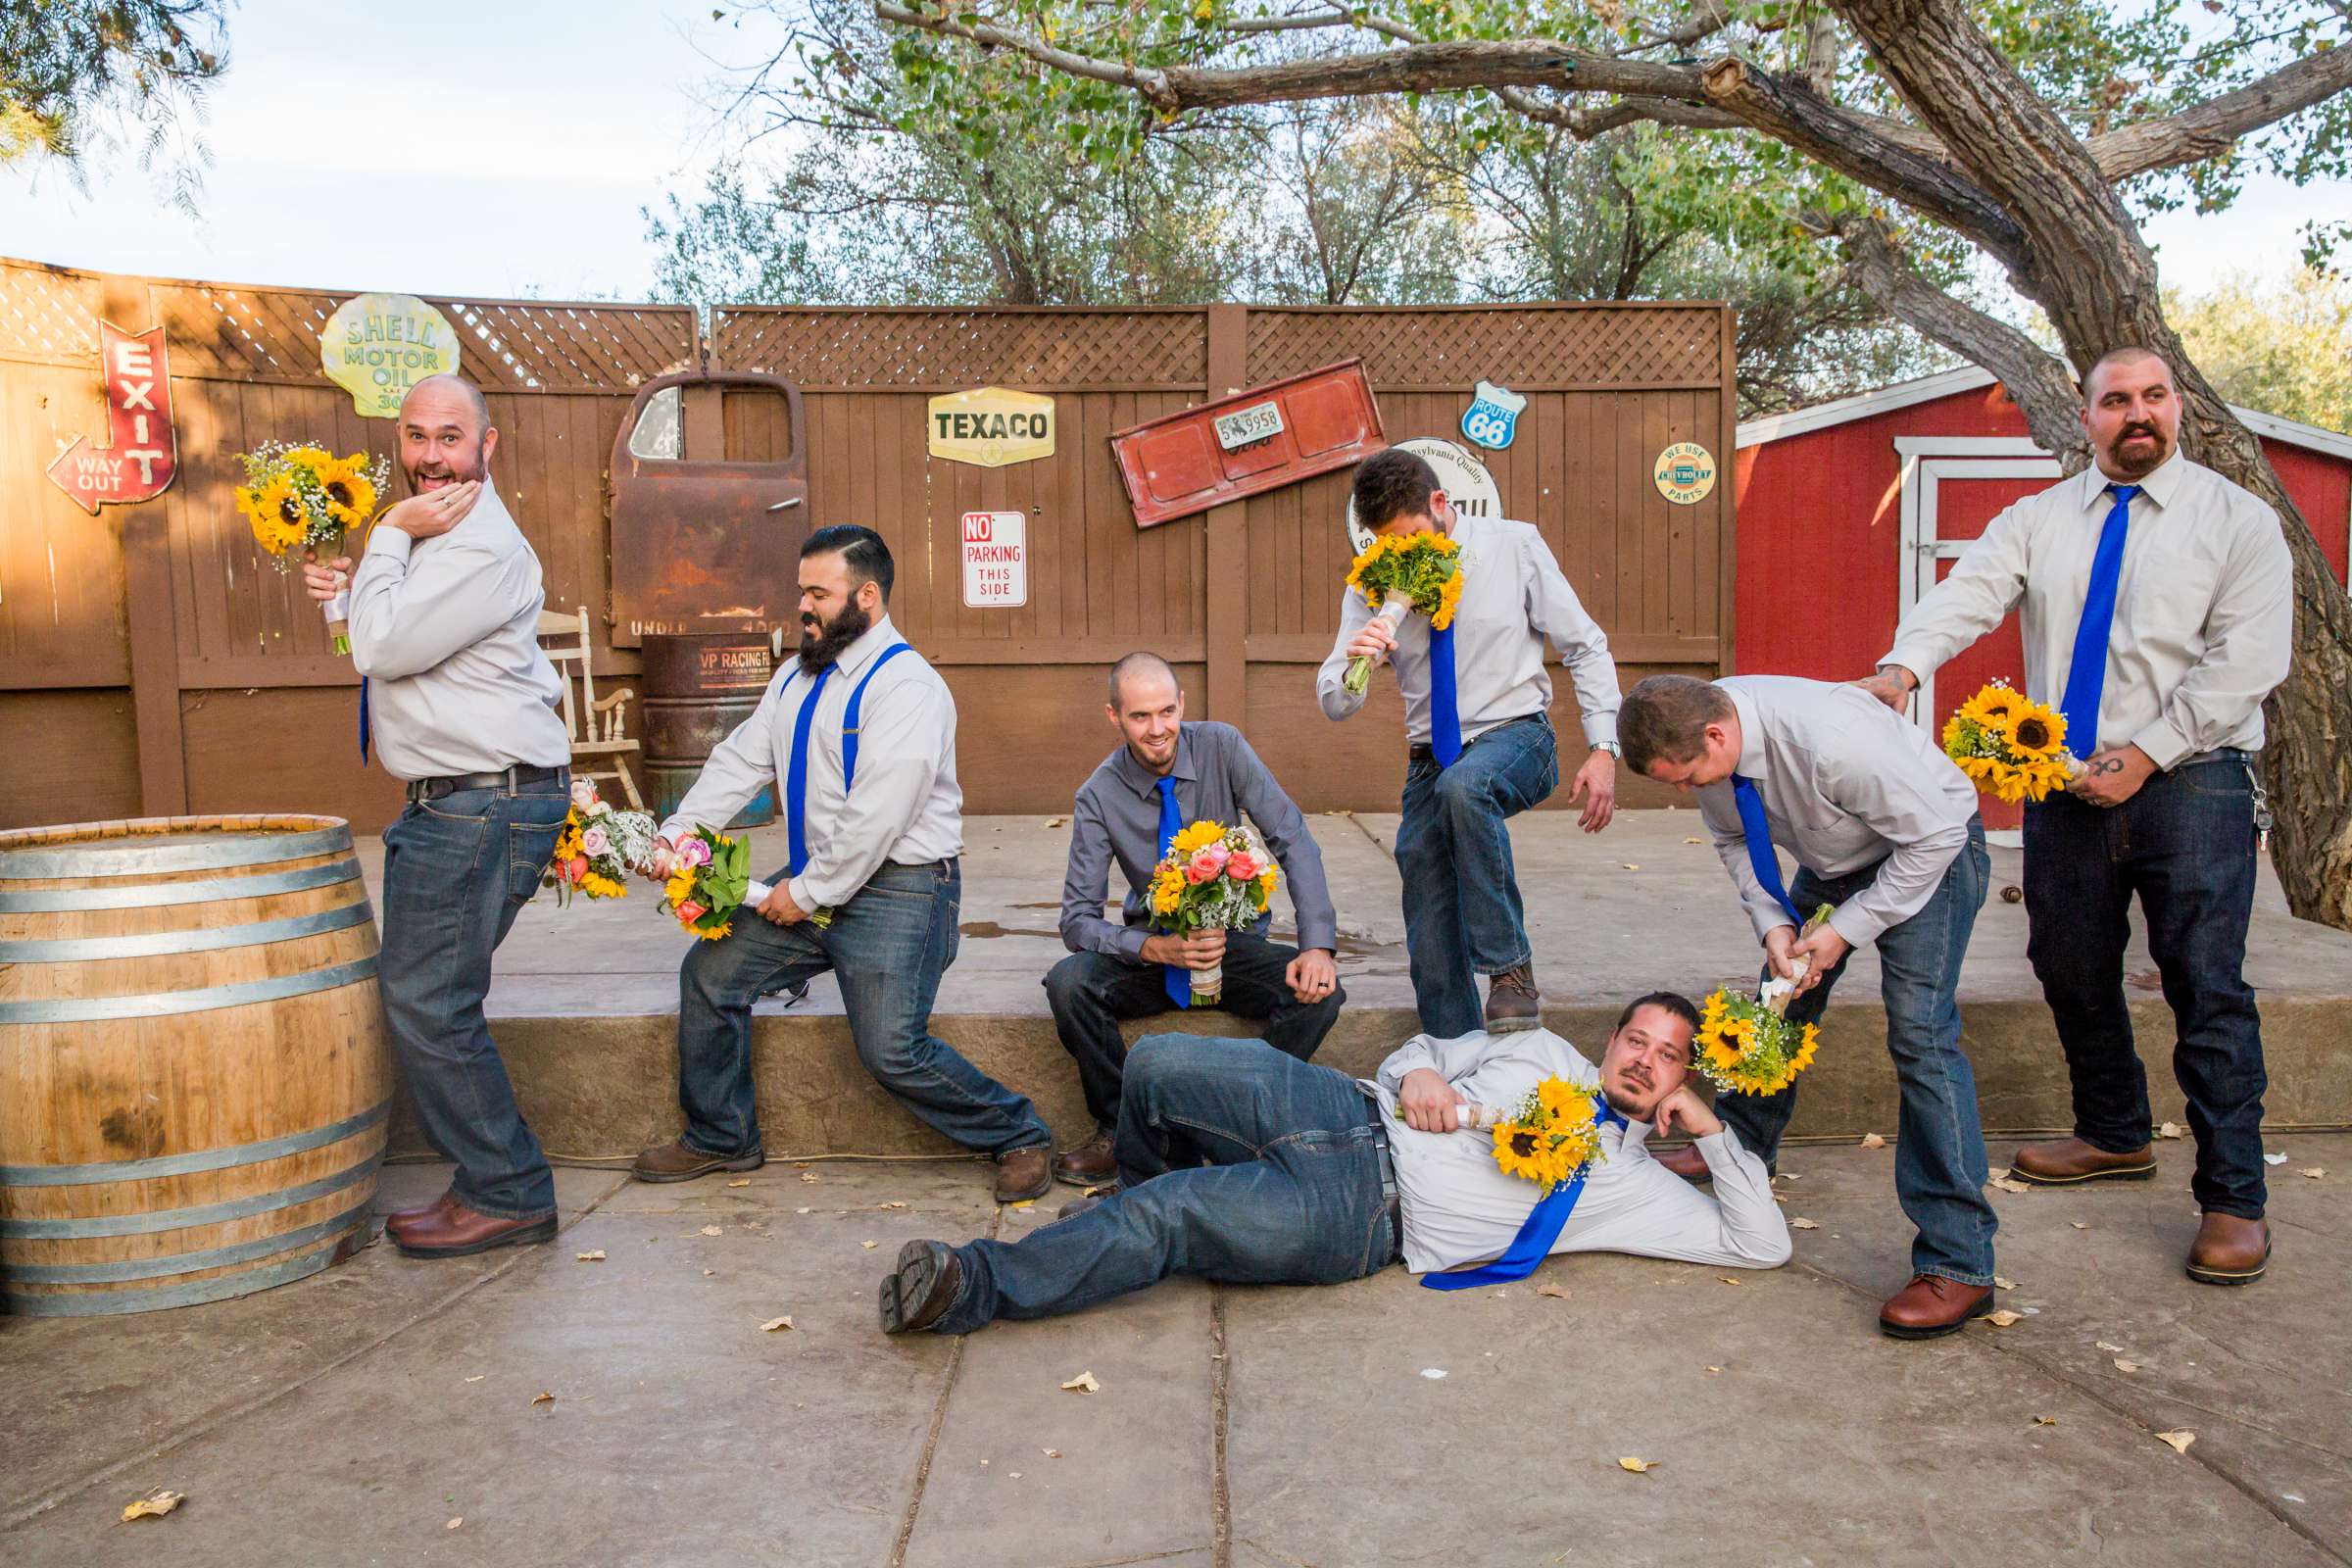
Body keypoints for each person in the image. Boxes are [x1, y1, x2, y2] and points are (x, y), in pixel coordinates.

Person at [1858, 347, 2293, 1287]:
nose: (2137, 414)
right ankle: (2114, 1132)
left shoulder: (2237, 522)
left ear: (2177, 408)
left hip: (2194, 780)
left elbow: (2247, 660)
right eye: (2115, 401)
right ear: (2086, 415)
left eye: (2153, 397)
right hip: (2062, 785)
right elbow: (1966, 596)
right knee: (2069, 964)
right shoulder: (2039, 520)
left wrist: (2148, 754)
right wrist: (1901, 668)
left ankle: (2233, 1199)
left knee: (2205, 986)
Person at [876, 994, 1790, 1336]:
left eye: (1666, 1056)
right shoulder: (1547, 1052)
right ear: (1612, 1037)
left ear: (1683, 1074)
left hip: (1355, 1216)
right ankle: (1128, 1201)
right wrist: (1424, 1066)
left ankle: (971, 1287)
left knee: (1172, 1222)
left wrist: (1708, 1133)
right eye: (1636, 1038)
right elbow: (1417, 1050)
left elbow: (1762, 1248)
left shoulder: (1636, 1186)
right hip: (1341, 1104)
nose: (1642, 1059)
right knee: (1155, 1064)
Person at [630, 525, 1057, 1202]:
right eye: (801, 591)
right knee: (711, 973)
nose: (803, 606)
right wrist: (680, 832)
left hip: (902, 892)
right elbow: (743, 761)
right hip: (814, 881)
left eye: (818, 594)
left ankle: (1019, 1133)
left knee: (892, 1050)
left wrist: (808, 890)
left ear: (866, 596)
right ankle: (721, 1136)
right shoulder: (794, 680)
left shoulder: (910, 688)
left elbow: (879, 813)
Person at [1621, 673, 1998, 1338]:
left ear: (1717, 734)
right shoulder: (1708, 744)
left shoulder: (1833, 741)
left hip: (1927, 850)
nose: (1685, 792)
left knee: (1920, 1032)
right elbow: (1737, 840)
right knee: (1779, 1003)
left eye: (1685, 777)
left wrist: (1846, 928)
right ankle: (1740, 1147)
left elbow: (1936, 836)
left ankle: (1959, 1260)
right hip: (1837, 855)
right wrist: (1776, 924)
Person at [299, 373, 573, 1258]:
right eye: (415, 435)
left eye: (449, 437)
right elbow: (374, 656)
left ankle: (508, 1190)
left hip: (479, 803)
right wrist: (347, 597)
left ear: (487, 446)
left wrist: (381, 536)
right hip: (464, 798)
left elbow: (386, 646)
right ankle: (490, 1182)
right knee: (433, 999)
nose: (428, 454)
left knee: (428, 1002)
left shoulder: (475, 546)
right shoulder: (433, 537)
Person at [1316, 448, 1621, 1037]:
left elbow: (1585, 645)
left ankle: (1511, 970)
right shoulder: (1369, 584)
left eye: (1408, 537)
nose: (1398, 553)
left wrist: (1604, 748)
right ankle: (1454, 1051)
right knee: (1426, 905)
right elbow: (1333, 702)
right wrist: (1360, 662)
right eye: (1384, 543)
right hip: (1430, 759)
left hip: (1518, 737)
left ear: (1439, 503)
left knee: (1466, 788)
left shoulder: (1513, 546)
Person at [1045, 652, 1346, 1188]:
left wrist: (1316, 946)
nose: (1158, 730)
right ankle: (1121, 1130)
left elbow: (1293, 839)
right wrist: (1152, 950)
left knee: (1321, 994)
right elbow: (1077, 921)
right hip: (1157, 953)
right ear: (1114, 717)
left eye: (1166, 712)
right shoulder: (1097, 794)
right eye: (1140, 717)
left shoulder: (1223, 747)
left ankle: (1233, 1118)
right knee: (1071, 985)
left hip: (1234, 946)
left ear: (1182, 704)